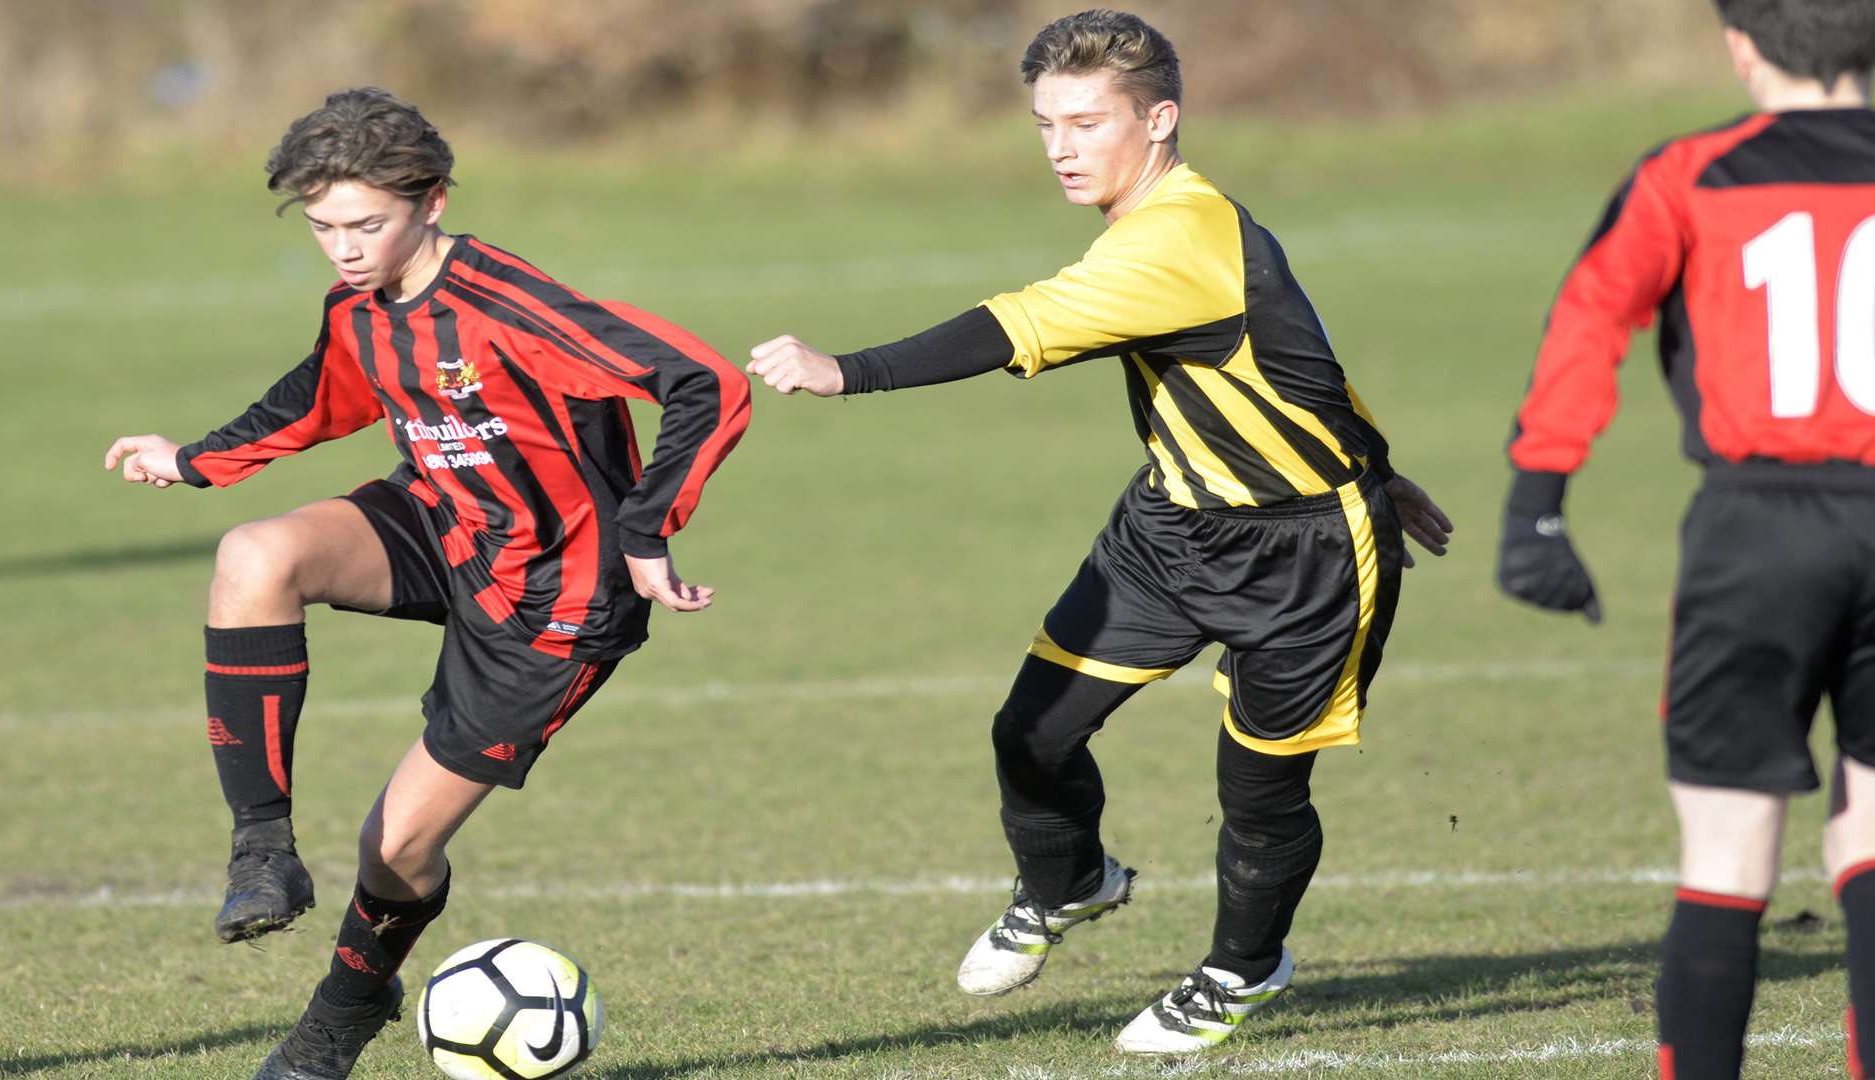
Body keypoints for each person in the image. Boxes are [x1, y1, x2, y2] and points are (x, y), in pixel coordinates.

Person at [747, 9, 1451, 1055]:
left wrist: (845, 370)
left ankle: (1242, 970)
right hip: (1169, 524)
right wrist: (1382, 466)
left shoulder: (1181, 238)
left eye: (1086, 122)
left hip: (1302, 554)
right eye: (1044, 124)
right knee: (1031, 731)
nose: (1062, 148)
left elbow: (1012, 324)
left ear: (1161, 118)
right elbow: (1302, 357)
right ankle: (1068, 886)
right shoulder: (1159, 228)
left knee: (1258, 787)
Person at [102, 87, 750, 1080]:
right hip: (443, 523)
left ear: (432, 201)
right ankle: (262, 851)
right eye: (324, 227)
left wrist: (647, 526)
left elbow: (705, 381)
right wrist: (192, 460)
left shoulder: (510, 305)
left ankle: (343, 1012)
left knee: (394, 849)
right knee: (253, 556)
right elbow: (320, 394)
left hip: (555, 601)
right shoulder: (363, 309)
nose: (345, 248)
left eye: (367, 224)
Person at [1495, 1, 1875, 1074]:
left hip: (1758, 526)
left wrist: (1538, 500)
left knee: (1728, 849)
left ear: (1742, 47)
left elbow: (1591, 313)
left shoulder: (1691, 172)